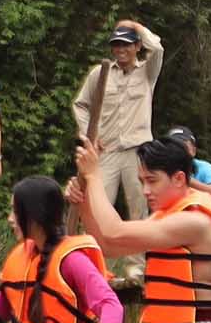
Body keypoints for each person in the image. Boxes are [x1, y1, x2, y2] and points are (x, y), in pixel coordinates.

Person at [76, 134, 211, 323]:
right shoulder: (164, 217)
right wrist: (84, 201)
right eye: (142, 181)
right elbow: (108, 246)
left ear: (179, 179)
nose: (145, 191)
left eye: (152, 181)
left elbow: (113, 231)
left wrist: (95, 177)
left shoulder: (195, 221)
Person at [0, 174, 125, 323]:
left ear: (34, 216)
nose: (10, 219)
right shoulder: (21, 257)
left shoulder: (72, 260)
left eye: (14, 211)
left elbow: (111, 304)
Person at [70, 21, 166, 233]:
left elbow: (157, 48)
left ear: (137, 46)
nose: (121, 49)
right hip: (107, 151)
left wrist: (134, 25)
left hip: (137, 151)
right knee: (95, 205)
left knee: (139, 209)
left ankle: (136, 265)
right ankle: (92, 256)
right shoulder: (100, 72)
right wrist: (90, 136)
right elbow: (81, 105)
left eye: (126, 44)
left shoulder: (147, 72)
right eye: (117, 44)